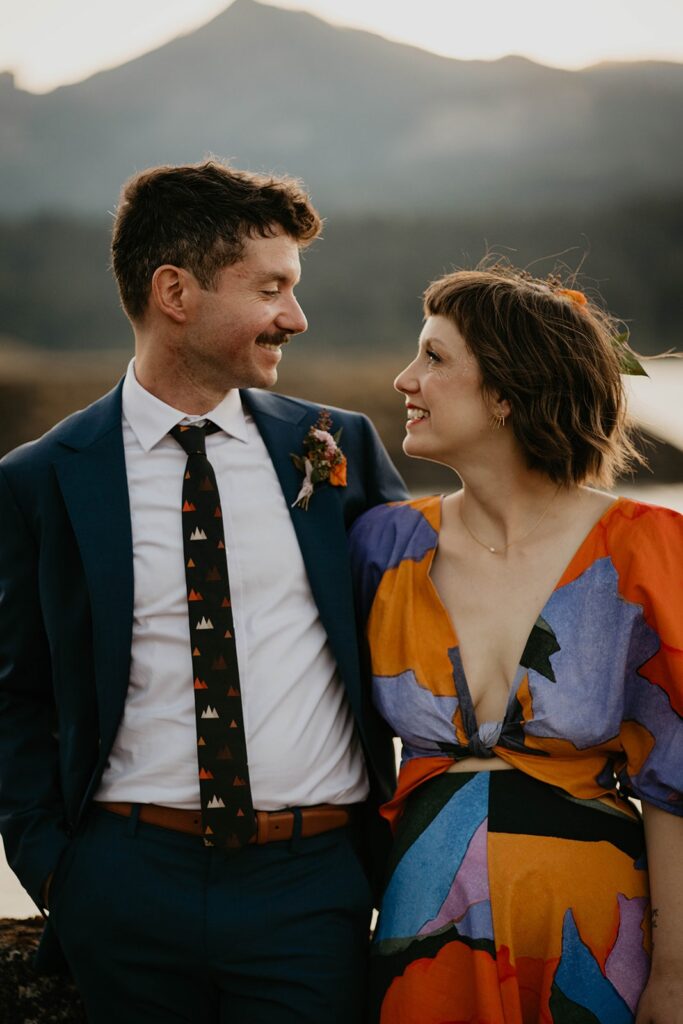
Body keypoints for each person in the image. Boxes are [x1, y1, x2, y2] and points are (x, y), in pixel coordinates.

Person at [0, 159, 408, 1023]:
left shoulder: (338, 450)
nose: (294, 317)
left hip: (312, 887)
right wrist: (60, 873)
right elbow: (16, 694)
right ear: (175, 292)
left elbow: (425, 636)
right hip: (124, 887)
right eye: (271, 288)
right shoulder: (38, 481)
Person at [349, 263, 682, 1023]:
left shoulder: (649, 551)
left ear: (505, 393)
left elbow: (674, 782)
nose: (404, 379)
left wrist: (674, 973)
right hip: (424, 931)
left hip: (596, 934)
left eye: (434, 358)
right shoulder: (384, 546)